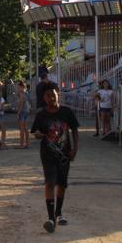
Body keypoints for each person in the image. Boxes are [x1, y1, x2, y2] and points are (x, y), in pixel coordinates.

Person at [31, 88, 80, 233]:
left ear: (58, 95)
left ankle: (59, 213)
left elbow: (75, 130)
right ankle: (50, 217)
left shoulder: (66, 112)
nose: (51, 97)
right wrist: (38, 135)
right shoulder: (41, 114)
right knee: (49, 182)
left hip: (64, 154)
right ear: (44, 99)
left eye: (53, 94)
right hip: (47, 153)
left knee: (62, 184)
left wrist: (74, 149)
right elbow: (35, 132)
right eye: (48, 96)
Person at [16, 81, 31, 148]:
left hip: (22, 112)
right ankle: (27, 144)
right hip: (27, 111)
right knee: (26, 128)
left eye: (18, 87)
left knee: (22, 129)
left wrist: (18, 113)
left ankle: (21, 144)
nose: (18, 88)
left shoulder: (22, 94)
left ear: (22, 87)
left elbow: (21, 104)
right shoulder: (27, 93)